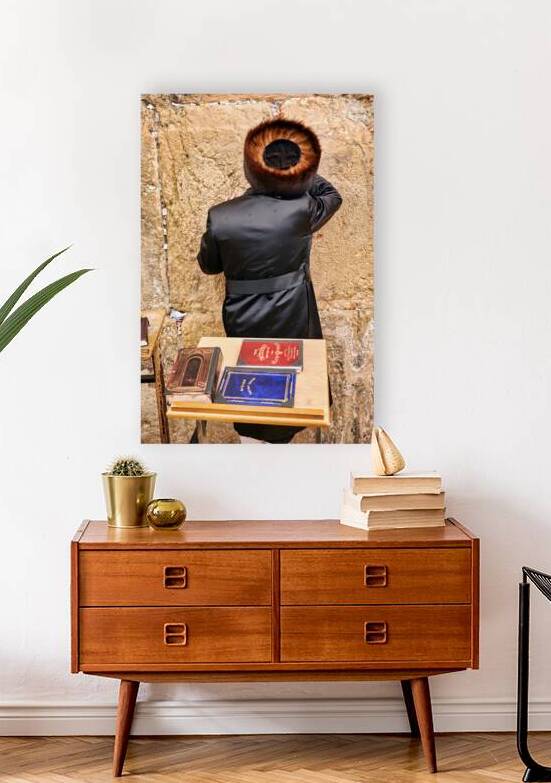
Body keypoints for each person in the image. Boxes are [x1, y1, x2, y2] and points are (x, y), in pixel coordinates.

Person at [197, 118, 342, 443]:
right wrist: (293, 173)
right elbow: (332, 195)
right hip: (293, 312)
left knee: (249, 384)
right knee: (293, 384)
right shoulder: (302, 209)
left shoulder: (221, 216)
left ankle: (253, 440)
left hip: (243, 316)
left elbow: (209, 266)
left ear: (249, 169)